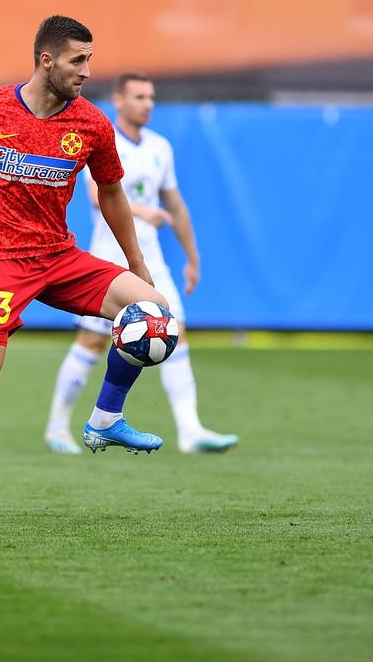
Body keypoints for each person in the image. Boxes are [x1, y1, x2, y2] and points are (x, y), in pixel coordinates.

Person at [0, 15, 173, 527]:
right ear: (45, 60)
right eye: (78, 60)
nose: (87, 70)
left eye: (90, 59)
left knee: (154, 312)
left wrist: (137, 264)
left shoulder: (92, 123)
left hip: (59, 256)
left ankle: (104, 420)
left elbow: (112, 191)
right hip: (0, 259)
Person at [44, 73, 238, 455]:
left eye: (151, 96)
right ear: (119, 100)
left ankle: (190, 429)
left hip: (151, 261)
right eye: (139, 96)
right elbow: (99, 196)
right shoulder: (103, 137)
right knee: (92, 342)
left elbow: (176, 204)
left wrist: (192, 258)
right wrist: (142, 211)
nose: (147, 103)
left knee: (175, 332)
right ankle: (56, 427)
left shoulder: (160, 148)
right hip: (109, 257)